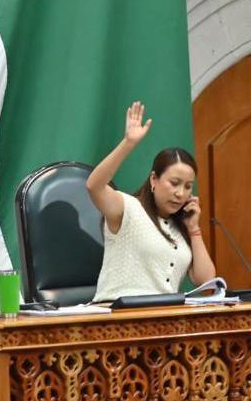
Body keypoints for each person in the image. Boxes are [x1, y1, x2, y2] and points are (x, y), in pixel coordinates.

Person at [87, 102, 215, 301]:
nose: (180, 193)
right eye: (174, 183)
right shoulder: (129, 208)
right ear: (154, 180)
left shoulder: (180, 226)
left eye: (188, 186)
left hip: (164, 316)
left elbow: (206, 281)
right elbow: (94, 186)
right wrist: (128, 143)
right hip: (118, 313)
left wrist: (193, 228)